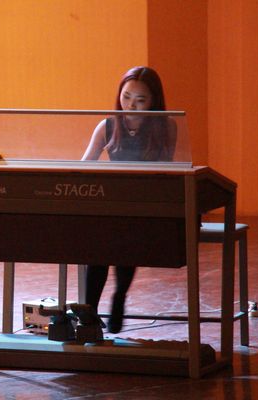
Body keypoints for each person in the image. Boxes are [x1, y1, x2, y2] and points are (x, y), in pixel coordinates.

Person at [81, 66, 177, 333]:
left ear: (154, 101)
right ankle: (88, 312)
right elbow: (84, 165)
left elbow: (169, 169)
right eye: (126, 97)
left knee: (125, 232)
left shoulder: (166, 127)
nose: (131, 105)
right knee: (101, 237)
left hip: (145, 206)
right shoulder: (108, 126)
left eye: (140, 99)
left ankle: (119, 296)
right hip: (112, 204)